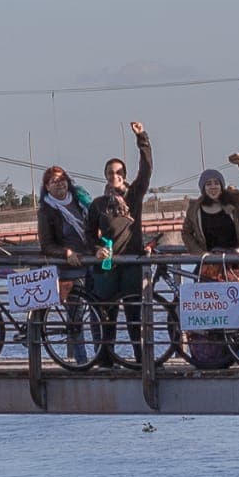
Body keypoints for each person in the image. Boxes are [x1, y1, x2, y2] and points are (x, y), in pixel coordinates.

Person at [181, 153, 239, 368]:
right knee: (216, 308)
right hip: (212, 265)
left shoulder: (235, 200)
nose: (213, 187)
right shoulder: (195, 208)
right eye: (208, 184)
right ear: (202, 188)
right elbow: (186, 233)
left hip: (236, 261)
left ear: (222, 185)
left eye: (216, 182)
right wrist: (200, 254)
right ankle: (221, 353)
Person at [85, 121, 153, 367]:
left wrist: (142, 138)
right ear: (105, 176)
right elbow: (88, 233)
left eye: (118, 172)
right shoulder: (98, 204)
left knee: (135, 315)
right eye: (110, 172)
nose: (114, 176)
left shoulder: (134, 196)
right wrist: (96, 249)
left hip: (131, 262)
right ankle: (106, 361)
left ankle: (141, 361)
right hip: (107, 265)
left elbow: (146, 170)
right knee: (106, 315)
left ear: (124, 175)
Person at [37, 165, 94, 365]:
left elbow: (94, 226)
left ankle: (103, 357)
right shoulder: (46, 210)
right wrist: (66, 253)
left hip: (91, 262)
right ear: (47, 186)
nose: (59, 184)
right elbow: (46, 245)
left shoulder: (80, 201)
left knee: (98, 312)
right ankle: (82, 361)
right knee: (76, 317)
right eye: (54, 181)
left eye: (62, 179)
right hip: (68, 269)